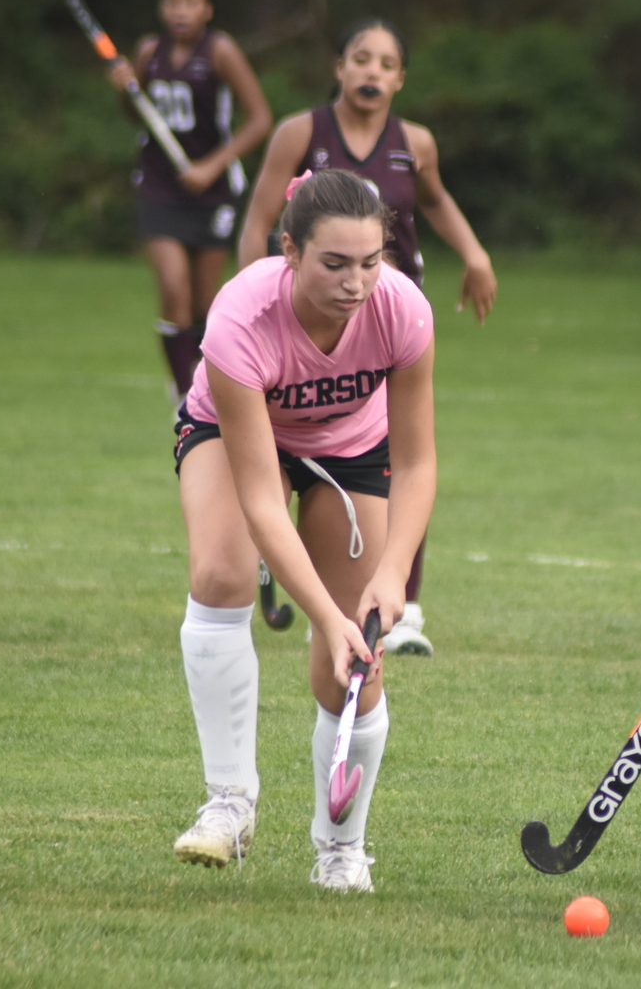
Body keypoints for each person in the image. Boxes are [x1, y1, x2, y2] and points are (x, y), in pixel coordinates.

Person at [169, 169, 435, 893]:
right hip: (238, 437)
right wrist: (323, 610)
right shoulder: (239, 318)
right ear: (289, 250)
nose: (357, 283)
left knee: (347, 661)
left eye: (371, 262)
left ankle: (341, 848)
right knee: (222, 571)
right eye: (335, 263)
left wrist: (390, 582)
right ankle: (229, 802)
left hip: (352, 449)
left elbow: (416, 463)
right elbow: (261, 498)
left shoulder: (404, 312)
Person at [234, 18, 496, 656]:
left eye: (386, 63)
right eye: (361, 59)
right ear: (339, 68)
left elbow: (435, 201)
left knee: (401, 451)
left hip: (388, 327)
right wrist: (251, 309)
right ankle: (278, 560)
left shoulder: (417, 142)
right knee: (293, 440)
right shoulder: (301, 133)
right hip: (305, 323)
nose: (372, 71)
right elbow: (260, 218)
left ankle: (400, 597)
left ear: (401, 78)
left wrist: (475, 253)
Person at [109, 0, 272, 401]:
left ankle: (205, 384)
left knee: (204, 301)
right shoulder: (149, 51)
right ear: (162, 9)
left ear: (207, 9)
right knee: (172, 285)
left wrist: (212, 166)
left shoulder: (220, 51)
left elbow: (260, 120)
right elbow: (137, 113)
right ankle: (183, 395)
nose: (180, 11)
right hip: (159, 186)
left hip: (213, 192)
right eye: (172, 2)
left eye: (190, 2)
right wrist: (124, 89)